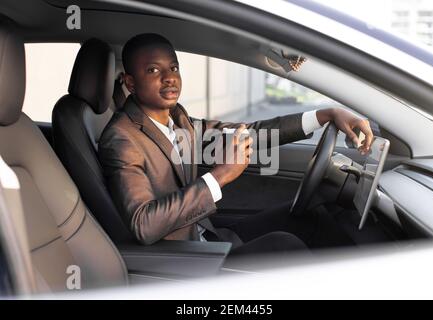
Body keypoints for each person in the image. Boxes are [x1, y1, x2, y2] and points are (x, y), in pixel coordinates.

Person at [98, 33, 373, 256]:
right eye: (153, 70)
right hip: (185, 256)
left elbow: (250, 133)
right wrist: (219, 177)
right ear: (131, 83)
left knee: (312, 216)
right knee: (284, 246)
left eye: (173, 68)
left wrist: (325, 115)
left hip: (205, 233)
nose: (169, 77)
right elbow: (144, 224)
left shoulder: (176, 118)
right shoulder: (121, 138)